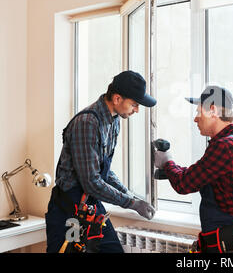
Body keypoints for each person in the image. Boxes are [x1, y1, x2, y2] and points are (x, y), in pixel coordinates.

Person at [46, 70, 156, 253]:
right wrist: (131, 203)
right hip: (69, 210)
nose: (136, 109)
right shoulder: (87, 123)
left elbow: (104, 170)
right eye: (134, 104)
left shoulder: (114, 121)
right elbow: (91, 182)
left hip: (89, 205)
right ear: (117, 99)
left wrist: (129, 195)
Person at [154, 85, 233, 253]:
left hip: (232, 245)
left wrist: (167, 162)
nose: (196, 119)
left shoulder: (225, 147)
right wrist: (170, 169)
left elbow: (184, 184)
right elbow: (199, 173)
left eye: (198, 112)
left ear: (212, 110)